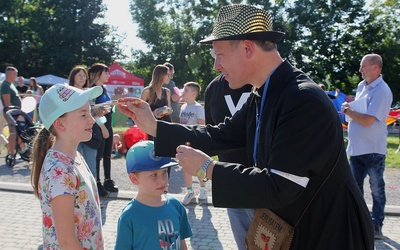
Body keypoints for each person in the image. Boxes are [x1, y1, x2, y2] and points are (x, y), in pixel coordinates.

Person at [117, 4, 374, 249]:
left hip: (328, 234)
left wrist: (209, 168)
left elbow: (280, 185)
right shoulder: (265, 93)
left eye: (220, 55)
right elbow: (222, 133)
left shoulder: (301, 99)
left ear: (248, 48)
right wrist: (155, 127)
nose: (216, 66)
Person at [30, 83, 104, 249]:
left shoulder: (75, 157)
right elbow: (67, 242)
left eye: (90, 112)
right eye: (83, 114)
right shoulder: (60, 171)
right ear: (60, 124)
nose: (92, 119)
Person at [341, 53, 393, 240]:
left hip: (373, 150)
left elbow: (368, 120)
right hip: (356, 148)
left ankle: (376, 225)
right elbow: (358, 112)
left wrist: (348, 110)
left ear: (376, 68)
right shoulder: (362, 86)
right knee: (355, 189)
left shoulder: (382, 91)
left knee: (377, 190)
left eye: (363, 66)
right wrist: (351, 109)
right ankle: (358, 223)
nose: (360, 70)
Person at [114, 140, 192, 249]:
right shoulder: (129, 216)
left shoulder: (176, 206)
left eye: (164, 172)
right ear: (134, 179)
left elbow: (182, 243)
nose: (162, 180)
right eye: (154, 175)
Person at [204, 74, 252, 250]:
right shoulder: (214, 88)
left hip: (265, 185)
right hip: (230, 184)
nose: (217, 64)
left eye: (222, 54)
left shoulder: (262, 83)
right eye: (215, 54)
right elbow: (212, 135)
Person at [69, 65, 109, 186]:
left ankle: (91, 196)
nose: (82, 78)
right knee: (75, 166)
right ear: (73, 77)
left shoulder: (88, 93)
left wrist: (102, 127)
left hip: (89, 133)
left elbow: (93, 113)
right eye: (79, 75)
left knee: (91, 167)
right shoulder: (68, 93)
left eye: (84, 75)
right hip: (73, 133)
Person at [88, 63, 118, 195]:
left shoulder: (104, 88)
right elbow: (92, 111)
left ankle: (108, 180)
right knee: (98, 156)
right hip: (99, 126)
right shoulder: (93, 89)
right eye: (105, 73)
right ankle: (97, 182)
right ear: (97, 74)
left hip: (108, 124)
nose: (108, 75)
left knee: (107, 154)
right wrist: (102, 126)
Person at [179, 81, 207, 204]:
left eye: (186, 90)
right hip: (185, 141)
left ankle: (203, 189)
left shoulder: (198, 107)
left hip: (196, 141)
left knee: (200, 166)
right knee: (185, 166)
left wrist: (200, 141)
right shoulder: (183, 107)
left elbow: (202, 125)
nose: (183, 92)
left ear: (194, 93)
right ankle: (190, 191)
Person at [0, 66, 22, 156]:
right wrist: (11, 113)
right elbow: (7, 101)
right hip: (9, 113)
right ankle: (11, 150)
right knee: (13, 132)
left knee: (15, 131)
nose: (16, 76)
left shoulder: (10, 84)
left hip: (13, 112)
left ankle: (14, 149)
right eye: (15, 74)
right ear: (10, 75)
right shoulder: (5, 85)